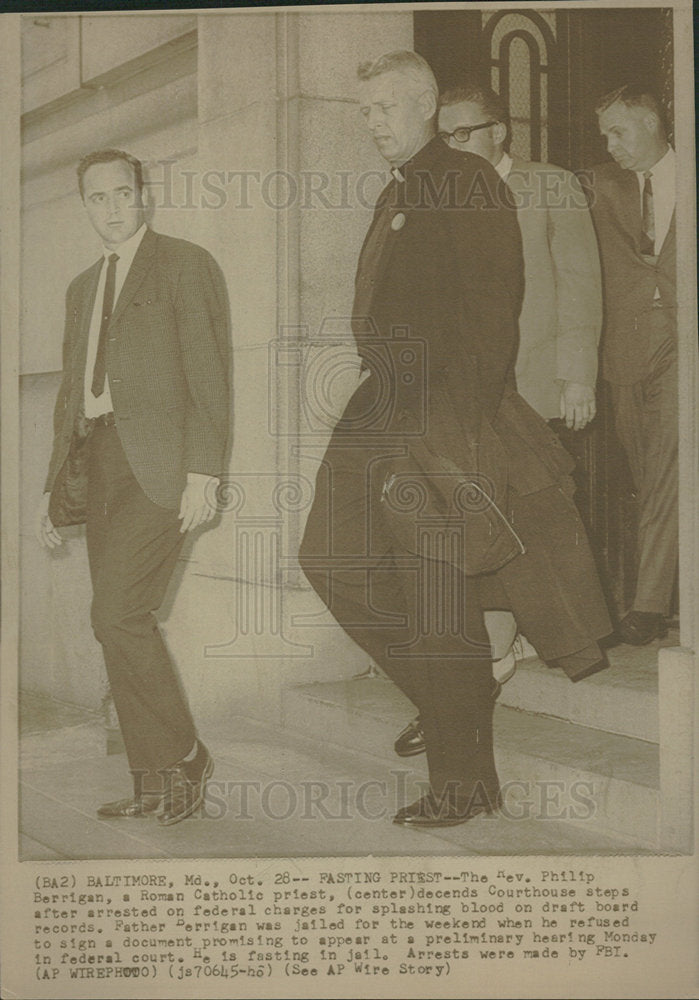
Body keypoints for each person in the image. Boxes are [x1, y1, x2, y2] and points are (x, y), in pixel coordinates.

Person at [299, 51, 610, 828]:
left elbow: (487, 319)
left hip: (442, 412)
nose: (369, 124)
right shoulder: (399, 188)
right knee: (327, 555)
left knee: (436, 597)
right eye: (364, 111)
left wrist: (451, 432)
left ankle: (463, 780)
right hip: (382, 404)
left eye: (380, 109)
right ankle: (458, 698)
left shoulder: (468, 181)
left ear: (424, 107)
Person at [392, 83, 612, 761]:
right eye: (446, 134)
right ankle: (480, 665)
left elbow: (579, 282)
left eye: (466, 132)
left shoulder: (549, 188)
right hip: (467, 397)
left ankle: (486, 668)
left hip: (535, 384)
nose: (454, 145)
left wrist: (576, 374)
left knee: (521, 519)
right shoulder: (442, 195)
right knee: (478, 525)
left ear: (500, 132)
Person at [34, 149, 231, 824]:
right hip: (99, 466)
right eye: (98, 198)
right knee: (116, 621)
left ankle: (185, 757)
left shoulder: (185, 263)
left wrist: (205, 470)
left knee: (117, 613)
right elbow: (69, 394)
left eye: (123, 193)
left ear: (143, 194)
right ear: (86, 205)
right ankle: (152, 779)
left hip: (160, 466)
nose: (112, 207)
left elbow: (209, 373)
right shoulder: (82, 287)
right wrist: (51, 489)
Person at [584, 85, 677, 646]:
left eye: (618, 132)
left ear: (650, 121)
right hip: (625, 347)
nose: (610, 145)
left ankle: (646, 606)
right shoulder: (595, 185)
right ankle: (673, 588)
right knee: (648, 472)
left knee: (666, 466)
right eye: (605, 136)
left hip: (682, 342)